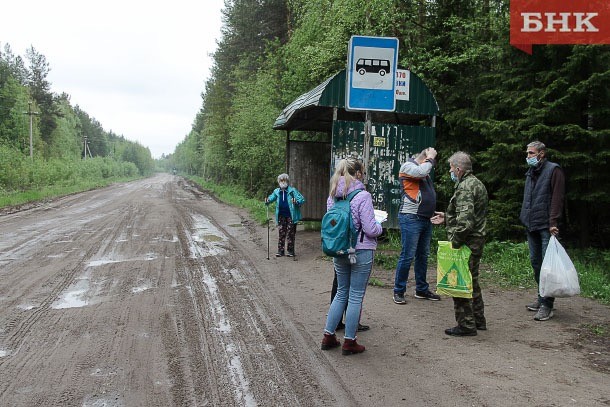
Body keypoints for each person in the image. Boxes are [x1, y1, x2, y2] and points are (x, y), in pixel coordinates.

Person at [320, 157, 383, 355]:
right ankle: (349, 341)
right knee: (355, 296)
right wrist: (380, 226)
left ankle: (328, 336)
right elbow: (370, 229)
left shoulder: (333, 195)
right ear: (357, 174)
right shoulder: (362, 196)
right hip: (361, 250)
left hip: (338, 249)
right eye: (361, 172)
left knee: (341, 293)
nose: (363, 175)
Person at [431, 152, 488, 336]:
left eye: (451, 168)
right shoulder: (477, 183)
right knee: (473, 280)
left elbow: (465, 223)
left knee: (460, 281)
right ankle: (478, 320)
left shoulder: (464, 188)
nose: (450, 171)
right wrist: (447, 218)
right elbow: (471, 215)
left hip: (467, 243)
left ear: (458, 169)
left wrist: (454, 243)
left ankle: (466, 325)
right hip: (476, 240)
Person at [519, 141, 566, 321]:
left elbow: (557, 198)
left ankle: (547, 304)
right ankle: (541, 297)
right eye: (528, 153)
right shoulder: (531, 172)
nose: (528, 156)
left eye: (531, 153)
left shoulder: (554, 170)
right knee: (536, 263)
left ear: (542, 154)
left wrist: (553, 221)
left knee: (548, 268)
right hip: (531, 224)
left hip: (547, 226)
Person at [393, 147, 441, 304]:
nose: (430, 166)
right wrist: (430, 157)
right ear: (424, 158)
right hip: (411, 218)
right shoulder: (408, 166)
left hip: (424, 219)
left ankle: (421, 289)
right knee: (407, 256)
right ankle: (398, 291)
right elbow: (421, 172)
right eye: (428, 161)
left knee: (422, 256)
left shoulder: (422, 171)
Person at [265, 174, 306, 257]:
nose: (283, 182)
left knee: (291, 233)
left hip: (291, 216)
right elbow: (271, 198)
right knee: (281, 233)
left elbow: (301, 199)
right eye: (281, 181)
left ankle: (291, 251)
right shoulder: (277, 191)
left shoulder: (292, 191)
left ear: (287, 181)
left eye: (285, 180)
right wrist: (268, 200)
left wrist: (296, 202)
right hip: (281, 215)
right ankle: (280, 251)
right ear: (279, 182)